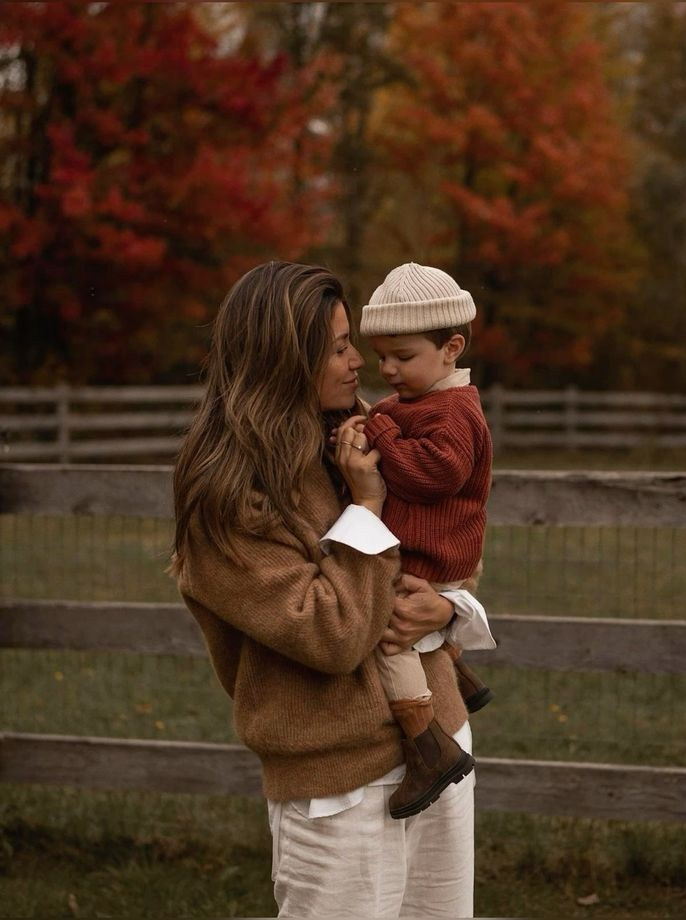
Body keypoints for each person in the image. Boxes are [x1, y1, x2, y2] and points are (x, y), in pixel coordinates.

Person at [170, 260, 491, 919]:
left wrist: (447, 607)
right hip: (339, 787)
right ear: (284, 362)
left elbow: (449, 539)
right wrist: (367, 509)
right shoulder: (229, 498)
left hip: (443, 744)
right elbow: (332, 634)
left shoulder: (360, 432)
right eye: (340, 348)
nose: (359, 363)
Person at [341, 261, 496, 821]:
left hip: (433, 555)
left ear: (451, 348)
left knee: (391, 640)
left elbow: (431, 474)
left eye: (402, 357)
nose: (387, 369)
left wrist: (380, 429)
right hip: (430, 550)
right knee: (411, 627)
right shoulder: (423, 401)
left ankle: (427, 745)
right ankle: (461, 674)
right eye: (381, 356)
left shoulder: (454, 412)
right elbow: (394, 423)